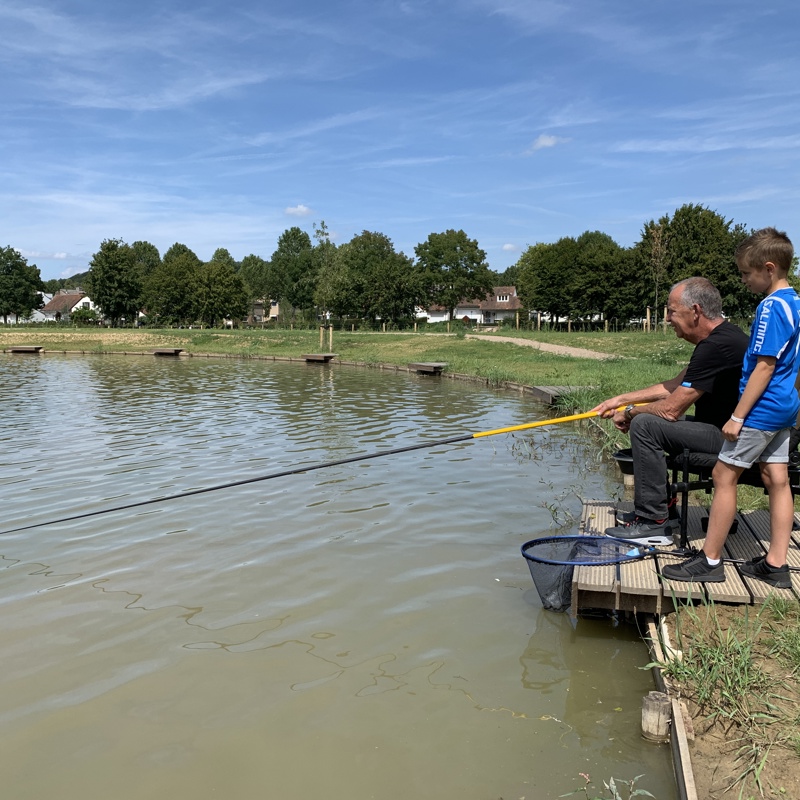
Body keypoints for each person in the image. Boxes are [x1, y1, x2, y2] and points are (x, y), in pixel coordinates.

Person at [662, 228, 800, 585]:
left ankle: (709, 561)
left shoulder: (770, 307)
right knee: (777, 478)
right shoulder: (796, 302)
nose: (743, 280)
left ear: (769, 269)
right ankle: (776, 565)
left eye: (746, 273)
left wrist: (738, 416)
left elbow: (765, 365)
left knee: (724, 476)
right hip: (785, 406)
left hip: (761, 409)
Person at [595, 277, 749, 544]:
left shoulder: (716, 346)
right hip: (721, 428)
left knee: (646, 425)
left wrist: (631, 412)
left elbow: (671, 409)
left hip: (733, 437)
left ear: (696, 311)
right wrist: (619, 400)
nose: (667, 319)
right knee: (647, 421)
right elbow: (674, 386)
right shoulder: (724, 337)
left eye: (672, 311)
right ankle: (665, 510)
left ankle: (653, 522)